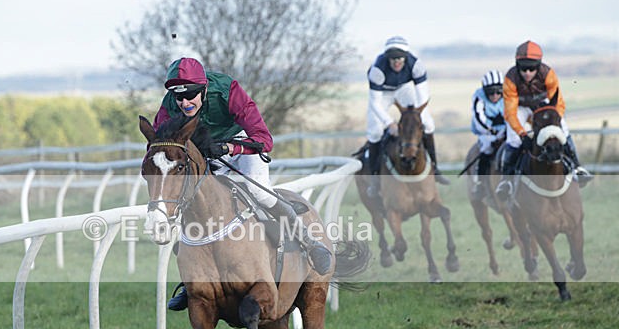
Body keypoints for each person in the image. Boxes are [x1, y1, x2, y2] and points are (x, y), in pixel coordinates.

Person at [153, 57, 332, 311]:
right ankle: (191, 279)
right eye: (178, 97)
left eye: (191, 95)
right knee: (192, 202)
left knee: (263, 194)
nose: (184, 102)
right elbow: (159, 144)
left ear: (203, 88)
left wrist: (230, 147)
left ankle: (309, 243)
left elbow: (264, 139)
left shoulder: (227, 91)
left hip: (243, 145)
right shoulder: (170, 104)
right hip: (204, 153)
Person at [495, 41, 593, 201]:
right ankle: (506, 180)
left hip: (544, 105)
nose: (527, 73)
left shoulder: (548, 74)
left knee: (564, 130)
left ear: (538, 66)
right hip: (520, 107)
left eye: (531, 68)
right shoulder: (510, 79)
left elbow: (558, 103)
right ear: (517, 65)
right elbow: (510, 112)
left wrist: (555, 122)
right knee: (512, 138)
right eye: (523, 68)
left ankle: (577, 168)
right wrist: (522, 134)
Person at [364, 35, 450, 197]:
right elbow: (375, 103)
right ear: (387, 58)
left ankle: (435, 168)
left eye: (400, 59)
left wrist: (418, 116)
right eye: (393, 59)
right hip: (382, 94)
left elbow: (423, 96)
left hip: (403, 90)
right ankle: (375, 178)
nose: (396, 62)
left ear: (406, 57)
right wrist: (390, 123)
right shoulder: (377, 70)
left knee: (428, 124)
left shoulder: (416, 65)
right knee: (375, 131)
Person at [470, 70, 506, 199]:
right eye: (490, 92)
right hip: (486, 132)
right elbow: (479, 119)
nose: (495, 95)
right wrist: (493, 131)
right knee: (487, 146)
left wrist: (506, 131)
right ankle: (480, 183)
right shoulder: (478, 97)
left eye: (498, 92)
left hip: (507, 130)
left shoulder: (509, 94)